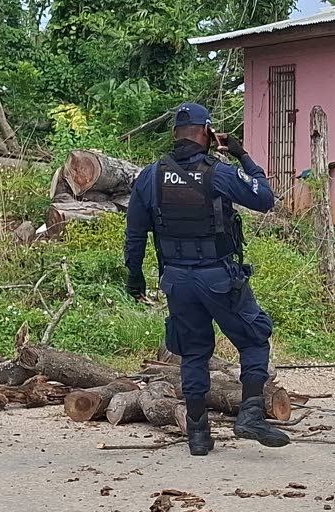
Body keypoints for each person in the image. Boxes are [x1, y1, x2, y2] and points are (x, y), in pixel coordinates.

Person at [124, 102, 289, 456]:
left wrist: (134, 277)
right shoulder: (219, 172)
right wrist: (243, 156)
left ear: (174, 134)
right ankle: (250, 414)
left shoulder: (149, 177)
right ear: (208, 133)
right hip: (219, 277)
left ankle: (198, 435)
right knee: (255, 339)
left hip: (177, 282)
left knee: (194, 353)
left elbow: (135, 234)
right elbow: (265, 198)